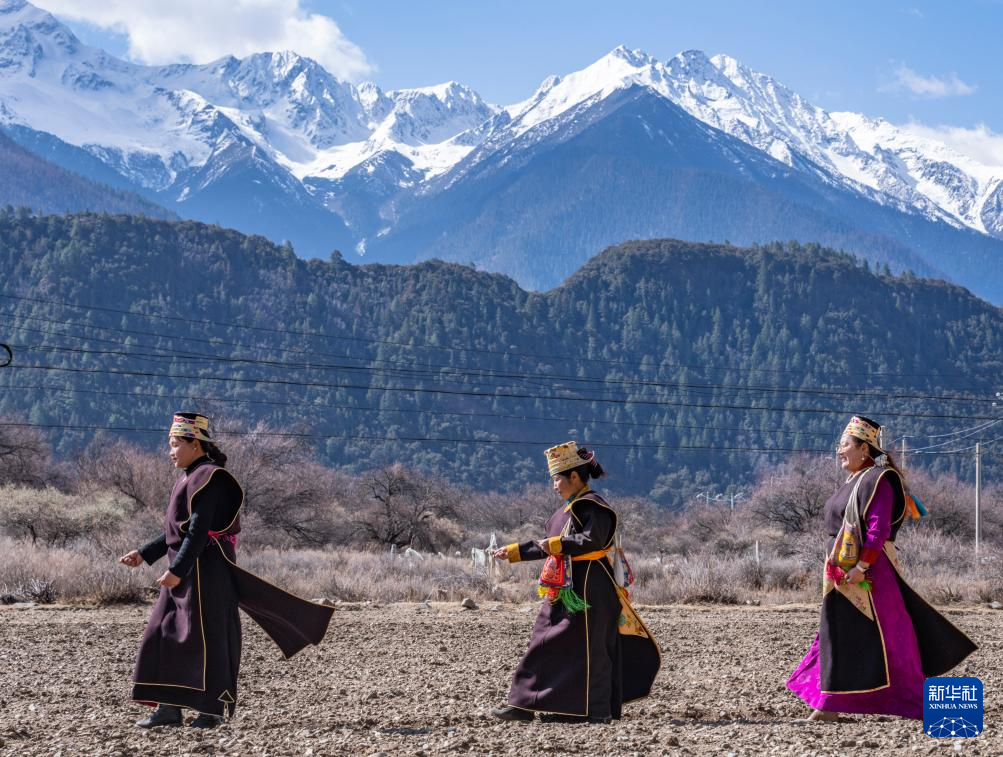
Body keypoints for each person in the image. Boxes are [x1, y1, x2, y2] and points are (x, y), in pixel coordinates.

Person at [119, 412, 335, 729]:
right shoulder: (190, 477)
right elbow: (177, 532)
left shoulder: (210, 478)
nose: (170, 451)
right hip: (186, 570)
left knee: (209, 639)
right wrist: (144, 553)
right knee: (164, 633)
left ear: (195, 444)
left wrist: (177, 570)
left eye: (175, 444)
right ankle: (169, 708)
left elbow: (197, 532)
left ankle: (211, 711)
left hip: (207, 574)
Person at [787, 415, 977, 721]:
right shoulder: (854, 481)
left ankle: (935, 707)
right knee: (838, 633)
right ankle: (829, 706)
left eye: (845, 444)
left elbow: (877, 530)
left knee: (891, 638)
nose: (839, 450)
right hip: (842, 573)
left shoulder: (880, 479)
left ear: (864, 448)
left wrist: (862, 567)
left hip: (870, 574)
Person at [490, 441, 661, 724]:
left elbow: (591, 540)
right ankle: (524, 704)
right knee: (544, 639)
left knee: (592, 648)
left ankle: (595, 712)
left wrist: (557, 545)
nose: (554, 486)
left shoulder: (594, 506)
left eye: (557, 479)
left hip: (592, 587)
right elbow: (549, 545)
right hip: (564, 587)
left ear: (574, 476)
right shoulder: (564, 512)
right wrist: (515, 552)